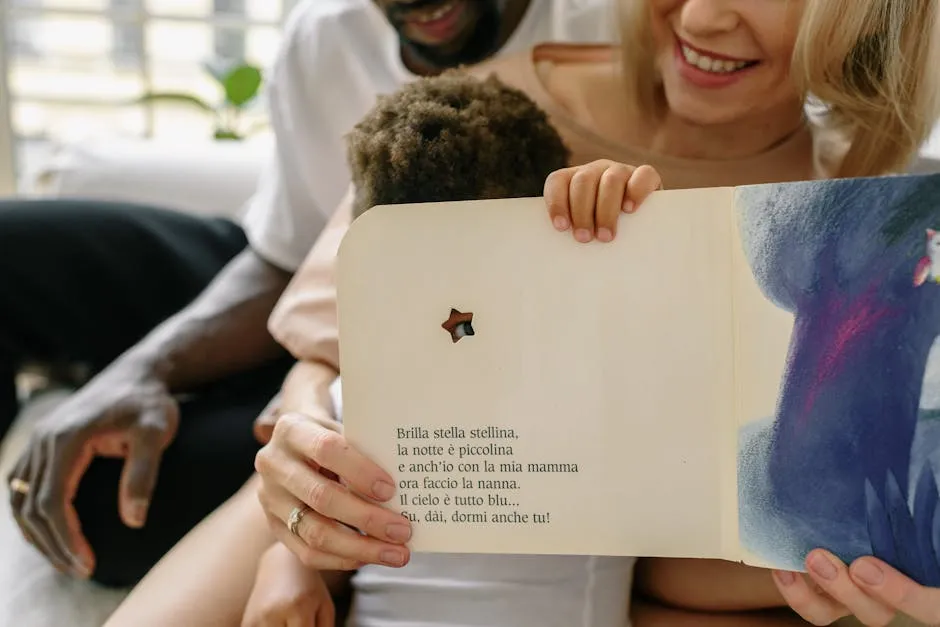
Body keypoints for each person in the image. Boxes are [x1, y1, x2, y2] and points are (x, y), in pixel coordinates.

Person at [249, 0, 940, 624]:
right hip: (347, 503)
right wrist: (296, 503)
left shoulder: (860, 222)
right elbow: (334, 354)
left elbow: (664, 548)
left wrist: (823, 567)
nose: (700, 18)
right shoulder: (482, 117)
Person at [2, 0, 615, 587]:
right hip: (293, 291)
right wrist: (141, 369)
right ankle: (90, 378)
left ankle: (96, 383)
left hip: (407, 349)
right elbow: (283, 251)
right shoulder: (326, 31)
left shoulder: (601, 28)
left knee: (96, 500)